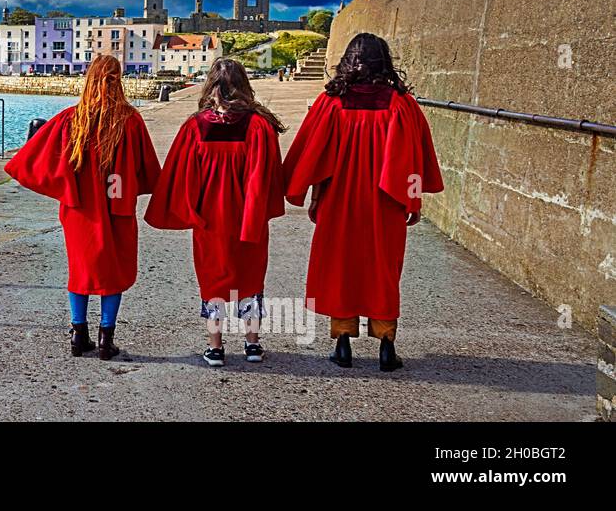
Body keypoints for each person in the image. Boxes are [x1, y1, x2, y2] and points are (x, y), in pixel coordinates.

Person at [283, 33, 443, 371]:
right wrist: (412, 202)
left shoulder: (331, 102)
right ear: (384, 61)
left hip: (339, 200)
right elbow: (413, 159)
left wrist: (314, 197)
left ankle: (343, 344)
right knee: (382, 270)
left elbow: (315, 157)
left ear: (347, 61)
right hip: (385, 204)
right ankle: (386, 345)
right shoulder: (401, 104)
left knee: (341, 267)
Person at [4, 55, 161, 360]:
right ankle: (105, 340)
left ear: (88, 79)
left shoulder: (69, 120)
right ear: (119, 80)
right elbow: (147, 170)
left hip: (80, 211)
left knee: (80, 271)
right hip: (117, 207)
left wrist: (64, 188)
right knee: (113, 272)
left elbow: (30, 161)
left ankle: (79, 335)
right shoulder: (130, 120)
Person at [145, 59, 286, 367]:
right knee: (250, 280)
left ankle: (216, 347)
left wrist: (190, 211)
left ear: (210, 84)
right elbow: (268, 175)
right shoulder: (259, 125)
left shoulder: (196, 125)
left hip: (210, 219)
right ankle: (252, 344)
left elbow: (181, 177)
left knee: (213, 281)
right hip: (249, 216)